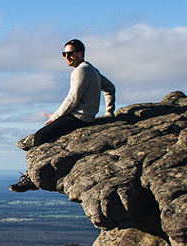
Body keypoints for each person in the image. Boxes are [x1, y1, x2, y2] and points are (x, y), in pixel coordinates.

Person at [10, 38, 116, 192]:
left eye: (70, 53)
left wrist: (55, 116)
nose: (66, 57)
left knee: (40, 137)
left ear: (80, 53)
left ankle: (32, 179)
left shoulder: (81, 70)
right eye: (64, 54)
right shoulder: (92, 69)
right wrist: (109, 112)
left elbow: (72, 99)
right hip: (87, 118)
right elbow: (110, 88)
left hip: (78, 118)